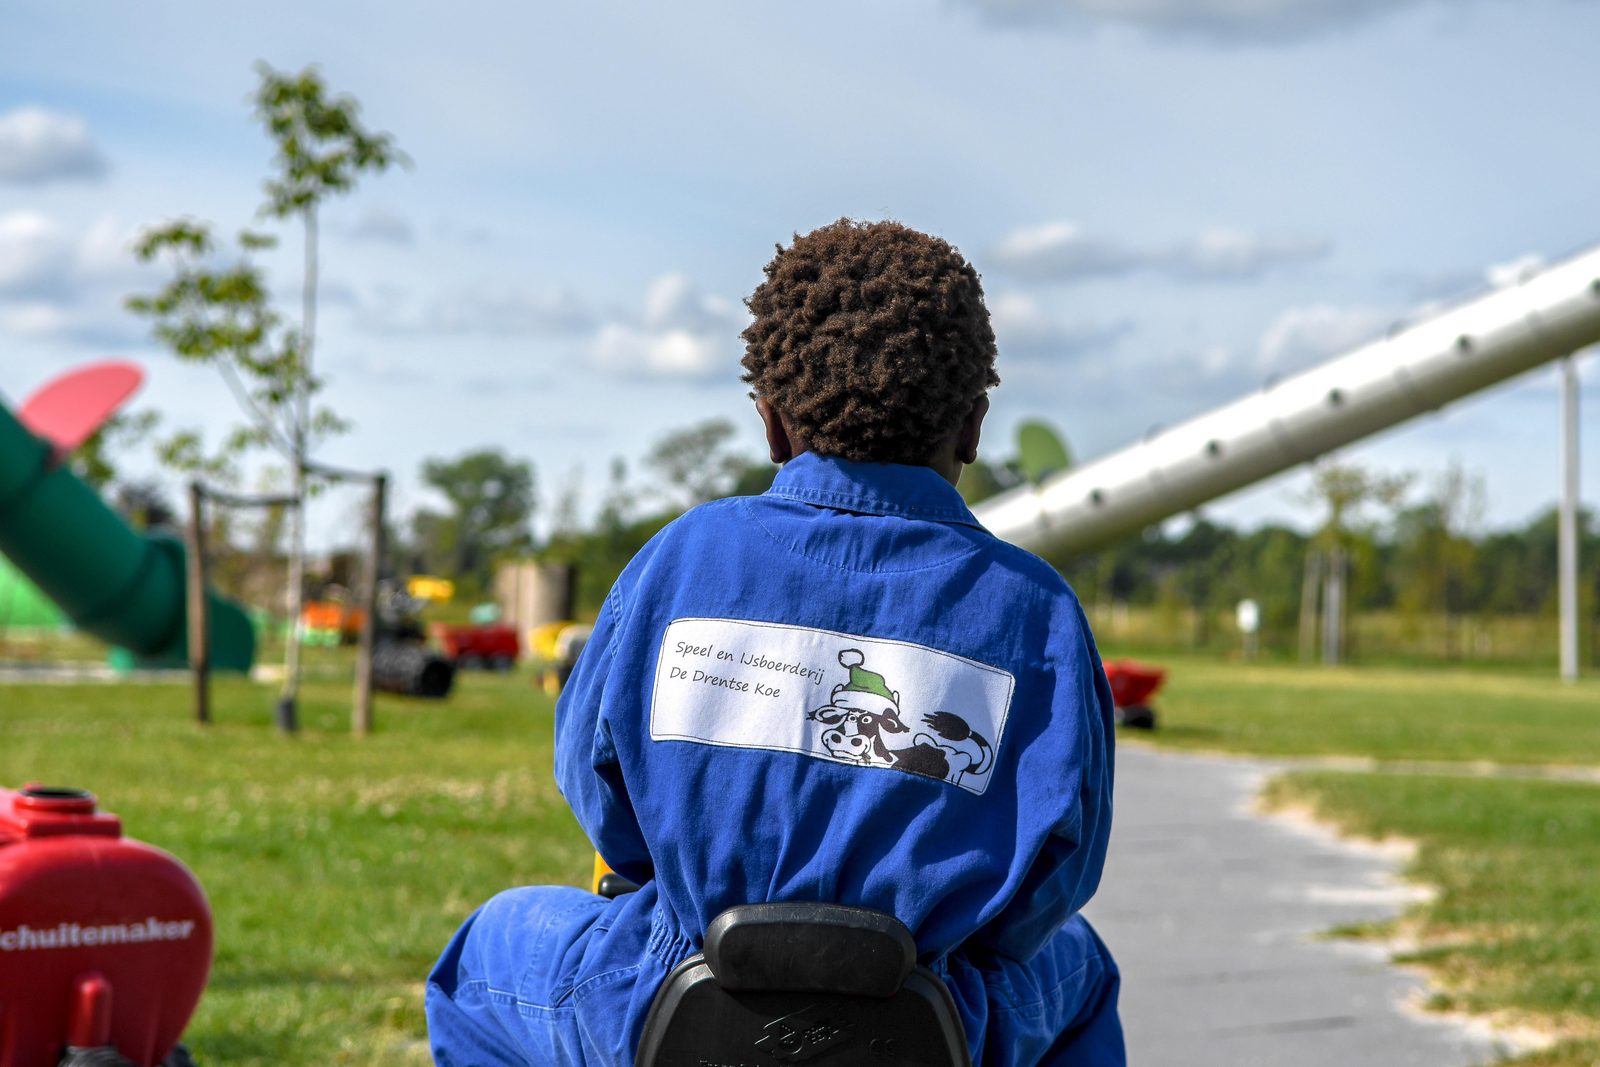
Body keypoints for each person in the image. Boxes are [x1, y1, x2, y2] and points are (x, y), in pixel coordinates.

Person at [425, 219, 1123, 1066]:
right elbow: (1061, 872)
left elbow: (601, 793)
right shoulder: (1036, 608)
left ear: (771, 423)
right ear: (972, 428)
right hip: (935, 1015)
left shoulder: (679, 561)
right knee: (1081, 972)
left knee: (482, 958)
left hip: (674, 993)